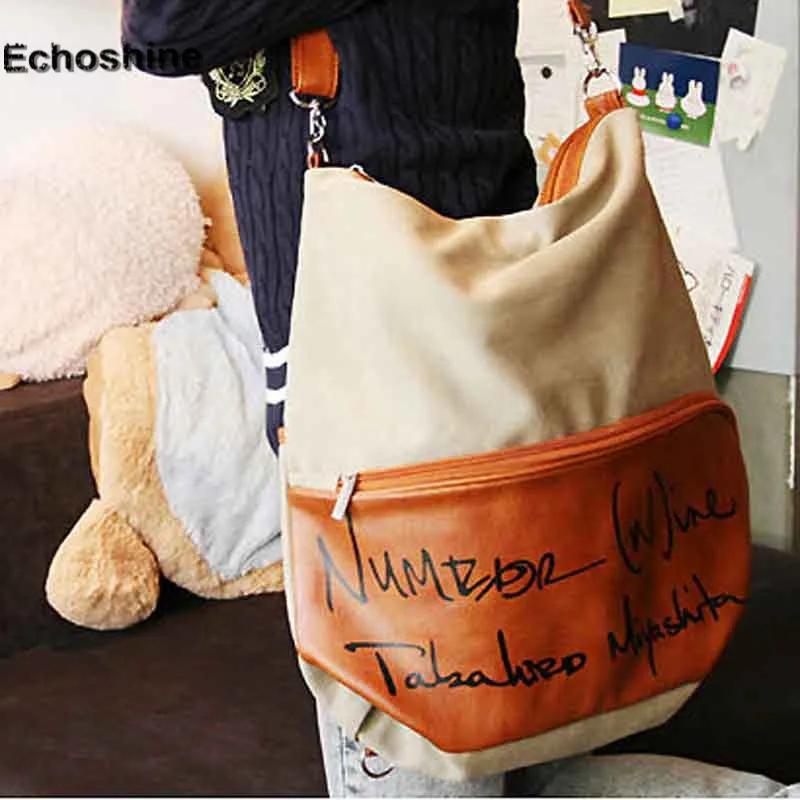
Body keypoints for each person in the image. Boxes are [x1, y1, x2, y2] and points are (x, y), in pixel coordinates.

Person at [120, 2, 800, 796]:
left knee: (438, 750)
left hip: (373, 336)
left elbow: (166, 26)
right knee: (523, 724)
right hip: (469, 309)